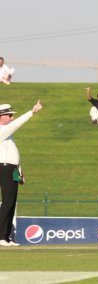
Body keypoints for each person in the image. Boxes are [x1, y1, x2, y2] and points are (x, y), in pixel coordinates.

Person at [0, 101, 42, 247]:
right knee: (7, 202)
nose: (12, 118)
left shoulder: (8, 134)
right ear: (1, 117)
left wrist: (19, 172)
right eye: (10, 115)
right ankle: (1, 236)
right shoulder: (1, 130)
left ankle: (6, 237)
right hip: (4, 168)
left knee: (11, 202)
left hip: (12, 169)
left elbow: (12, 154)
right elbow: (15, 125)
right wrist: (31, 112)